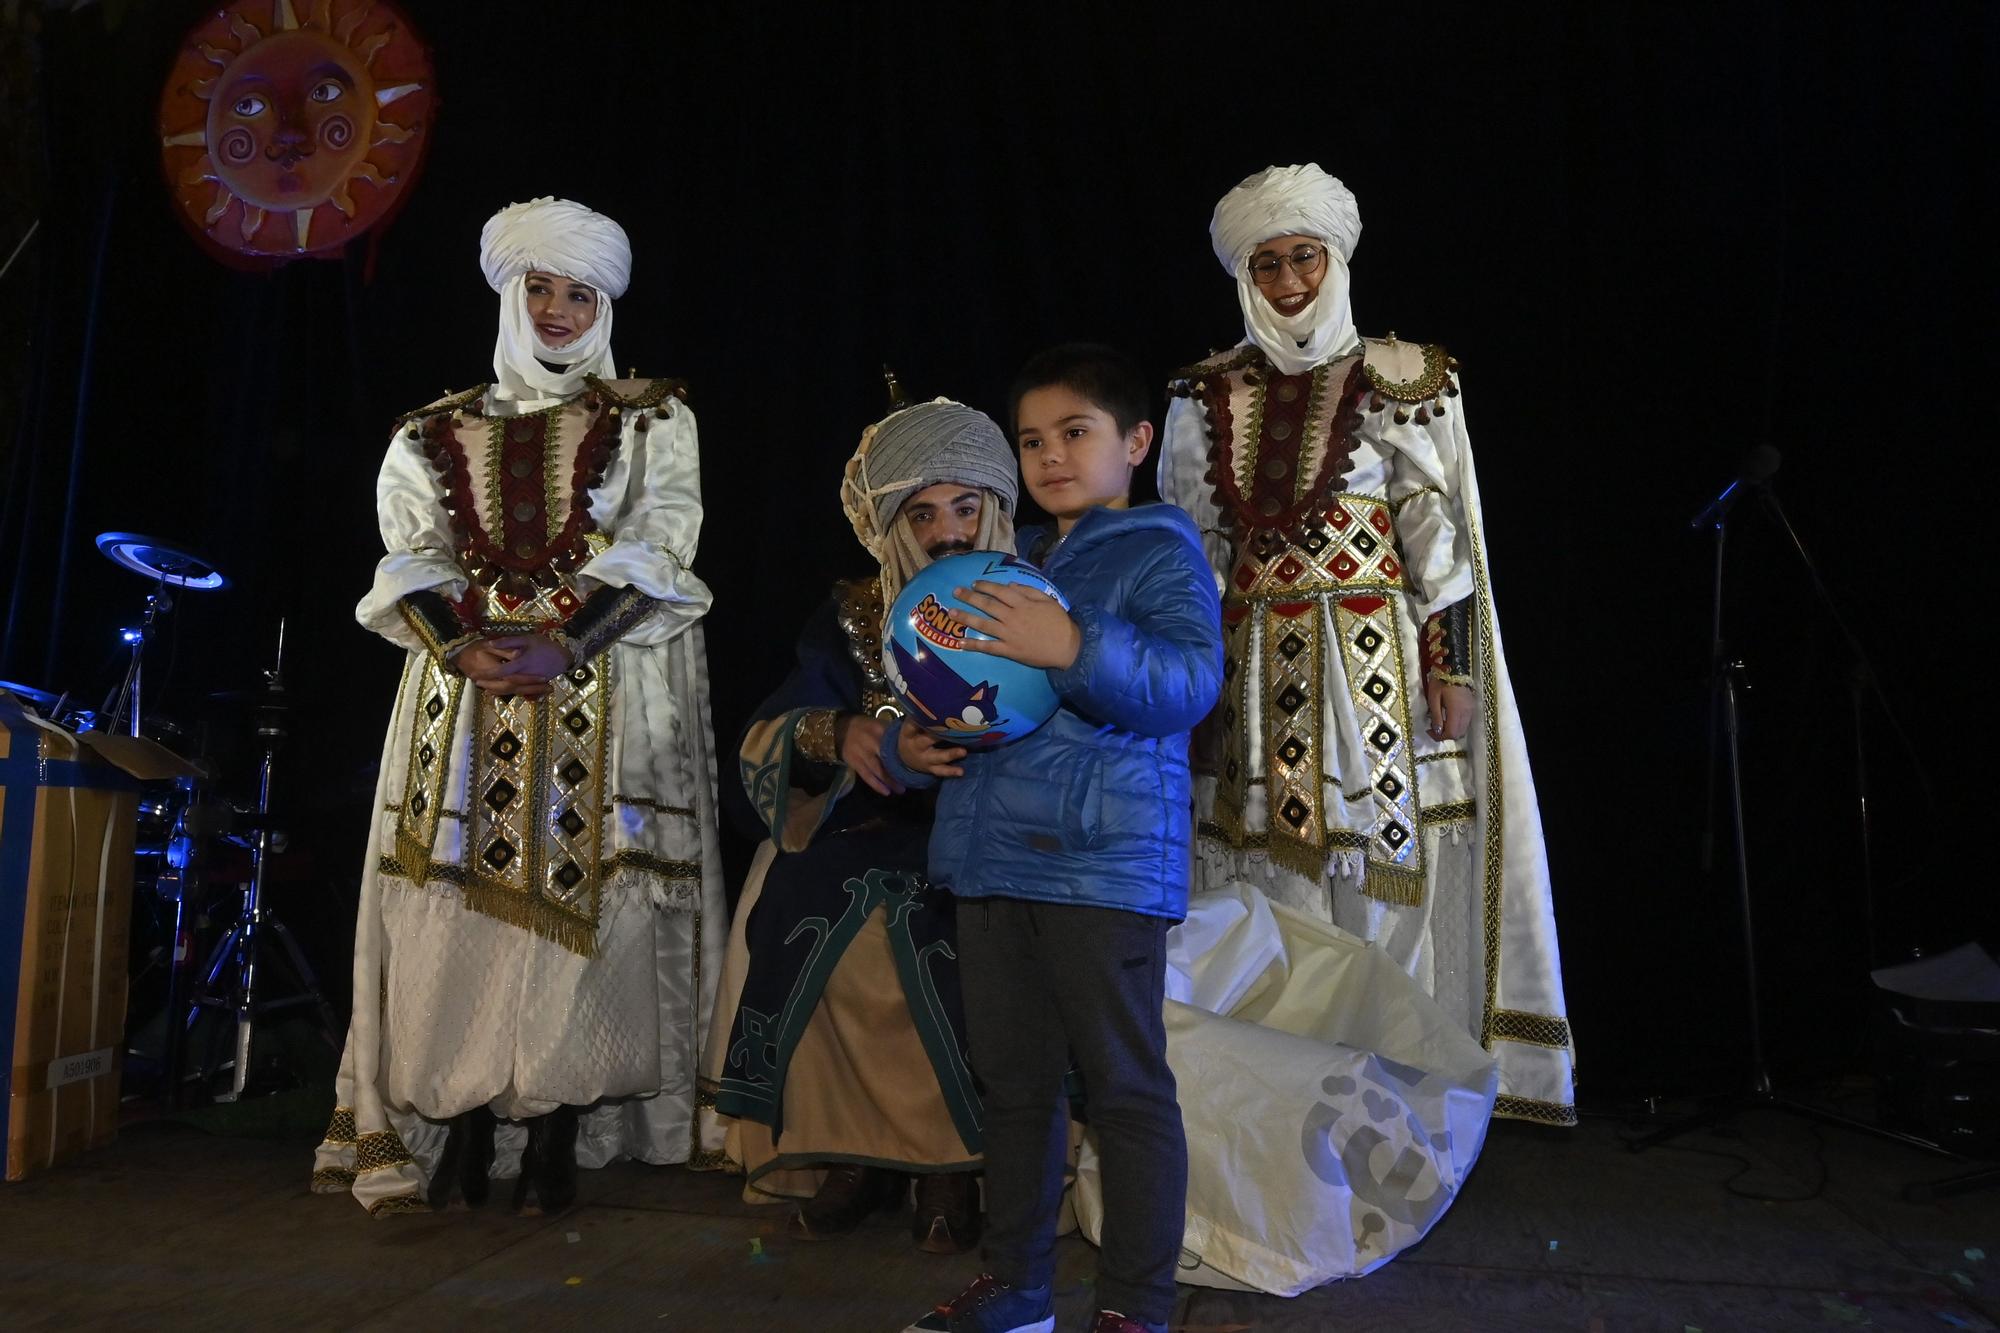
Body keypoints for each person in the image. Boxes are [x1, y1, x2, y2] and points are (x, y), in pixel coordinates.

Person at [310, 197, 727, 1217]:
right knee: (451, 907)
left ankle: (550, 1132)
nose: (553, 307)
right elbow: (409, 552)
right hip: (463, 701)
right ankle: (450, 1120)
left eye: (575, 292)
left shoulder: (652, 415)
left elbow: (664, 548)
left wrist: (567, 642)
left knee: (583, 919)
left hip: (606, 692)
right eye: (536, 287)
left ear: (602, 304)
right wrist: (464, 646)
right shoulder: (433, 427)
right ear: (508, 293)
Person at [1157, 163, 1574, 1125]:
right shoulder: (1202, 393)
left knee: (1390, 871)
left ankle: (1404, 1100)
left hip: (1373, 670)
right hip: (1254, 669)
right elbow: (1192, 554)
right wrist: (1198, 686)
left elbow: (1445, 540)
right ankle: (1284, 1097)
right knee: (1265, 871)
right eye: (1268, 263)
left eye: (1306, 255)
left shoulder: (1407, 377)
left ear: (1336, 257)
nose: (1290, 279)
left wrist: (1455, 665)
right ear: (1244, 275)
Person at [893, 345, 1222, 1333]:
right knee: (1016, 1088)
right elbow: (977, 705)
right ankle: (1018, 1292)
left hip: (1102, 864)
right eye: (1030, 440)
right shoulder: (1013, 558)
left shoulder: (1162, 548)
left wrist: (1074, 645)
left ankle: (1133, 1308)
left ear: (1135, 441)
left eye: (1073, 432)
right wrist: (916, 743)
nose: (1048, 455)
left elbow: (1186, 686)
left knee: (1123, 1089)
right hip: (993, 864)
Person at [702, 395, 1018, 1253]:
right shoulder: (851, 613)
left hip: (1000, 833)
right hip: (868, 828)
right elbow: (779, 724)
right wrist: (841, 733)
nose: (947, 531)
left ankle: (953, 1162)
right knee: (814, 903)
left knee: (937, 920)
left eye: (964, 507)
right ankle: (852, 1156)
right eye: (921, 512)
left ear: (995, 508)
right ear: (892, 524)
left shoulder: (1035, 605)